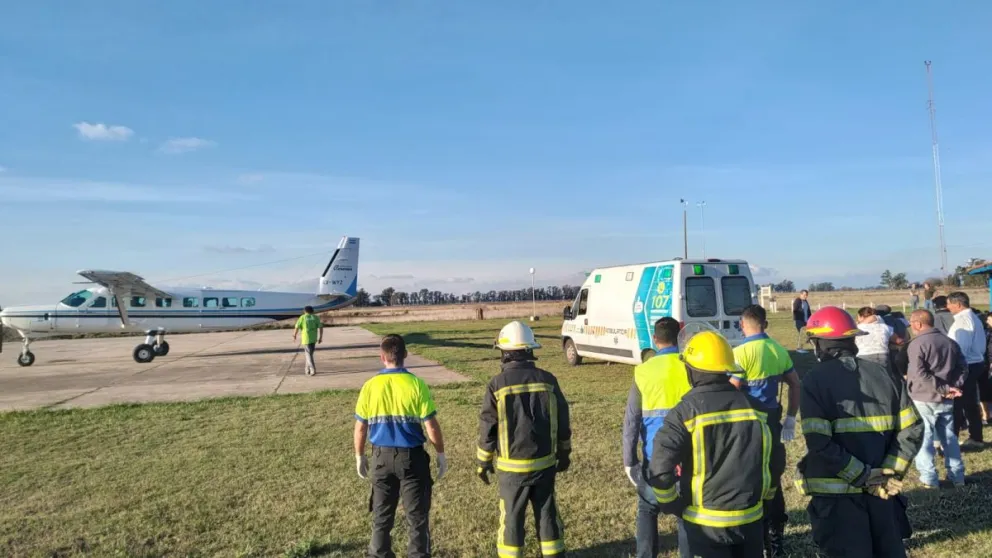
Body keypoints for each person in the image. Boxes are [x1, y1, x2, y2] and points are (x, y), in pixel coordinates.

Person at [795, 306, 924, 558]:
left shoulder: (814, 380)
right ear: (852, 339)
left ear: (821, 344)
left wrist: (862, 476)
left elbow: (819, 443)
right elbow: (912, 428)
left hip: (838, 505)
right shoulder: (885, 374)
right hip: (883, 497)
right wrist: (886, 474)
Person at [645, 328, 772, 558]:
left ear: (691, 371)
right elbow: (774, 460)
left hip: (705, 528)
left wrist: (671, 504)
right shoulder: (759, 410)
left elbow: (660, 467)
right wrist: (768, 497)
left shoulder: (684, 413)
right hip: (752, 520)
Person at [477, 321, 572, 558]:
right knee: (547, 513)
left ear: (505, 353)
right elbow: (562, 420)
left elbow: (488, 427)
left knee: (512, 518)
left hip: (511, 470)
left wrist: (483, 462)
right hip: (545, 464)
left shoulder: (496, 385)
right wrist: (564, 453)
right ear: (530, 350)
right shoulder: (549, 380)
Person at [354, 334, 448, 558]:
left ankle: (378, 554)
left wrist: (360, 456)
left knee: (382, 516)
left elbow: (360, 427)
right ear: (405, 355)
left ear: (382, 357)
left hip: (380, 458)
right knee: (417, 518)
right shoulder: (416, 384)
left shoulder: (370, 386)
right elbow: (431, 425)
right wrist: (440, 454)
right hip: (411, 458)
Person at [729, 304, 800, 558]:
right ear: (764, 323)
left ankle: (754, 537)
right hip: (773, 423)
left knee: (748, 478)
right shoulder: (778, 349)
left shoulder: (740, 353)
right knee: (773, 479)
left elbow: (733, 390)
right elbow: (794, 384)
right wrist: (791, 418)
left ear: (742, 323)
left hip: (747, 426)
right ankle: (776, 538)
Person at [622, 317, 692, 558]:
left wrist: (629, 460)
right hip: (687, 456)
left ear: (654, 339)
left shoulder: (643, 372)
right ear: (679, 336)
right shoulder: (690, 366)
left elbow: (632, 420)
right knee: (686, 513)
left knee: (647, 509)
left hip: (654, 457)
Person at [905, 309, 966, 488]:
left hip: (923, 396)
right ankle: (957, 476)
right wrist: (952, 387)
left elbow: (919, 373)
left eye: (911, 323)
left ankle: (929, 478)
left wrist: (944, 388)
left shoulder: (917, 343)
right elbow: (963, 367)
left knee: (924, 437)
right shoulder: (950, 342)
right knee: (949, 437)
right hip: (946, 398)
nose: (910, 326)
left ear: (918, 323)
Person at [946, 291, 988, 450]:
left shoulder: (963, 321)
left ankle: (952, 439)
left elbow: (959, 348)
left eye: (949, 303)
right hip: (976, 362)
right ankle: (976, 437)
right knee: (970, 403)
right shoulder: (973, 318)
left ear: (958, 304)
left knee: (957, 404)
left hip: (965, 365)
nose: (947, 307)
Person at [855, 307, 902, 375]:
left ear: (861, 317)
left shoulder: (858, 328)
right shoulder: (885, 327)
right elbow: (899, 341)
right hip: (883, 356)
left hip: (864, 356)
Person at [292, 305, 323, 375]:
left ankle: (312, 369)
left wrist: (294, 335)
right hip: (313, 338)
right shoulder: (316, 317)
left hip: (306, 339)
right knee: (309, 354)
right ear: (312, 311)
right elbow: (320, 327)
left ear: (305, 311)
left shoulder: (302, 317)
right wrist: (320, 337)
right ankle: (307, 369)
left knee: (308, 355)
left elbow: (297, 327)